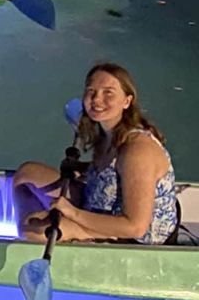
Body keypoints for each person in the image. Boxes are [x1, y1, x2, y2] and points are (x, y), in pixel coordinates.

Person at [10, 62, 177, 244]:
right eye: (91, 91)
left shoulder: (137, 150)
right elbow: (116, 172)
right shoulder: (108, 134)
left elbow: (136, 227)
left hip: (128, 234)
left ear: (127, 101)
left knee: (32, 228)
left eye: (108, 93)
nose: (97, 100)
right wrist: (83, 168)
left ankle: (85, 238)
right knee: (27, 173)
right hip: (99, 203)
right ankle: (62, 232)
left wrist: (73, 214)